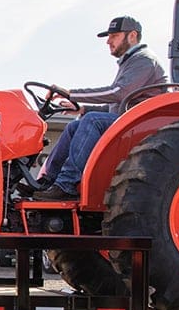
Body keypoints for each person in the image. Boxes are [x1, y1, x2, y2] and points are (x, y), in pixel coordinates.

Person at [32, 16, 167, 201]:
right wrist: (81, 109)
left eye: (114, 35)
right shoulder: (131, 62)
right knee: (75, 125)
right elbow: (116, 105)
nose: (108, 41)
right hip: (129, 121)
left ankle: (67, 184)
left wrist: (70, 93)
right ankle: (48, 180)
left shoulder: (143, 61)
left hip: (144, 126)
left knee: (92, 121)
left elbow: (117, 93)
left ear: (133, 36)